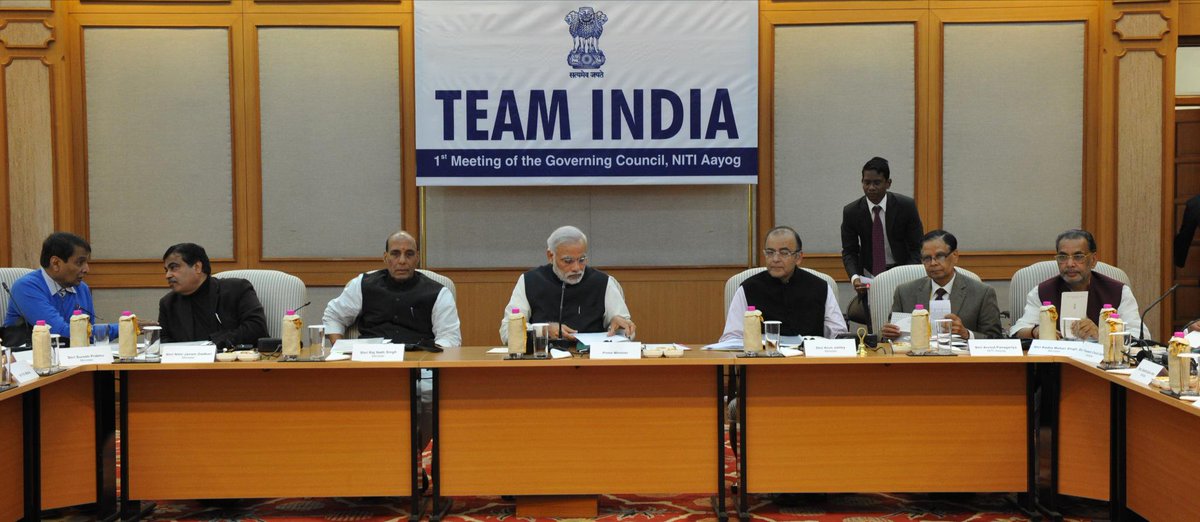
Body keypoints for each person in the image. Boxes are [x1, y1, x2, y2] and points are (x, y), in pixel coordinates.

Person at [323, 231, 461, 347]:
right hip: (370, 361)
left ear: (417, 258)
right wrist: (340, 350)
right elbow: (334, 315)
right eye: (395, 254)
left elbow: (449, 338)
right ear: (385, 257)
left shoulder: (438, 293)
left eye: (409, 254)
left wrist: (430, 362)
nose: (402, 260)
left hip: (419, 362)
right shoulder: (363, 284)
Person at [499, 225, 635, 342]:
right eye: (568, 261)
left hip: (591, 364)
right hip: (543, 362)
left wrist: (621, 329)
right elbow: (507, 332)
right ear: (550, 256)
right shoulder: (530, 281)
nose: (576, 267)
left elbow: (628, 333)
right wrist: (544, 330)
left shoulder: (603, 282)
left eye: (582, 259)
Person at [720, 226, 847, 341]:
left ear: (798, 257)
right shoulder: (748, 288)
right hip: (764, 361)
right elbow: (732, 338)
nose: (775, 259)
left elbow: (838, 334)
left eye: (784, 253)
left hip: (808, 362)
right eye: (770, 252)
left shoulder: (820, 287)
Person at [840, 157, 924, 325]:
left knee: (903, 325)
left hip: (903, 273)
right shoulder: (851, 211)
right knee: (875, 324)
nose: (871, 188)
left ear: (888, 183)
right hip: (870, 277)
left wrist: (904, 276)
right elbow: (849, 251)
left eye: (877, 182)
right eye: (867, 182)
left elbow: (918, 248)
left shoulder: (906, 206)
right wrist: (855, 277)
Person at [1012, 229, 1141, 340]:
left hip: (1102, 366)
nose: (1069, 264)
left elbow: (1140, 336)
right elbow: (1018, 330)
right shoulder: (1042, 291)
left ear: (1093, 260)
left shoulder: (1118, 291)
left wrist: (1101, 334)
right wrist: (1035, 331)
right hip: (1055, 365)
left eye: (1078, 256)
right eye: (1063, 257)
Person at [880, 230, 1002, 340]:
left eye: (940, 256)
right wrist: (887, 334)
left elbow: (996, 339)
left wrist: (966, 334)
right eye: (927, 258)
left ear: (955, 256)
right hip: (917, 361)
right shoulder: (905, 292)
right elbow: (887, 339)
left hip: (961, 362)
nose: (933, 263)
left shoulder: (982, 293)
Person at [3, 232, 116, 347]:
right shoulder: (26, 288)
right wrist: (123, 328)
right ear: (55, 263)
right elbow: (60, 332)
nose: (87, 269)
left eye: (86, 262)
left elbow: (88, 335)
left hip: (75, 360)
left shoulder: (82, 288)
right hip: (28, 361)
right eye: (80, 262)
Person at [157, 243, 268, 348]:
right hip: (187, 365)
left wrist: (212, 344)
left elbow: (256, 328)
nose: (168, 275)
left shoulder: (236, 289)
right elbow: (163, 341)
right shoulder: (168, 303)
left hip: (234, 363)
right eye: (166, 270)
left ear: (197, 267)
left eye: (174, 267)